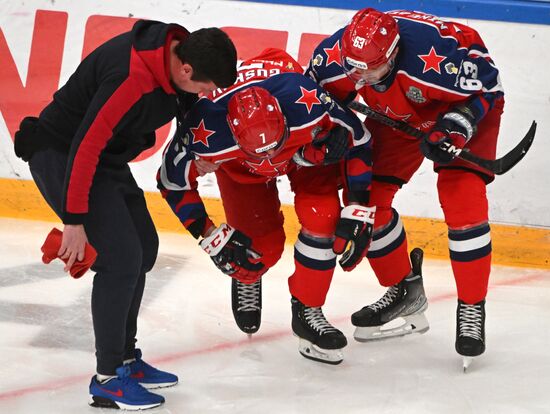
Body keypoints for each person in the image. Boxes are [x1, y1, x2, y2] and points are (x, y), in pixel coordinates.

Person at [13, 20, 237, 409]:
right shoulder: (130, 79)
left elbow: (188, 109)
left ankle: (127, 359)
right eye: (205, 86)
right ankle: (108, 378)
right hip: (63, 155)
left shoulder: (178, 55)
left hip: (103, 160)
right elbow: (85, 146)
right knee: (120, 261)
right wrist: (74, 221)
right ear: (185, 69)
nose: (207, 93)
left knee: (145, 250)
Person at [305, 8, 504, 368]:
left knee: (462, 201)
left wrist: (457, 125)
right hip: (399, 113)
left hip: (459, 105)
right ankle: (405, 290)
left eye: (371, 69)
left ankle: (472, 308)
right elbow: (317, 103)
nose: (360, 77)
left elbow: (488, 87)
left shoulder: (439, 61)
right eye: (354, 68)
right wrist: (332, 132)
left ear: (394, 53)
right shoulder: (332, 58)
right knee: (369, 204)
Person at [158, 48, 374, 365]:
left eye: (273, 146)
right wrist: (211, 238)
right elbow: (172, 183)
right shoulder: (202, 131)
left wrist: (358, 206)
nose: (268, 158)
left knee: (324, 217)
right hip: (242, 169)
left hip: (302, 154)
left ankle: (308, 311)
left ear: (284, 116)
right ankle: (248, 278)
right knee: (256, 252)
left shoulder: (307, 101)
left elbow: (360, 137)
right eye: (259, 152)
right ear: (230, 131)